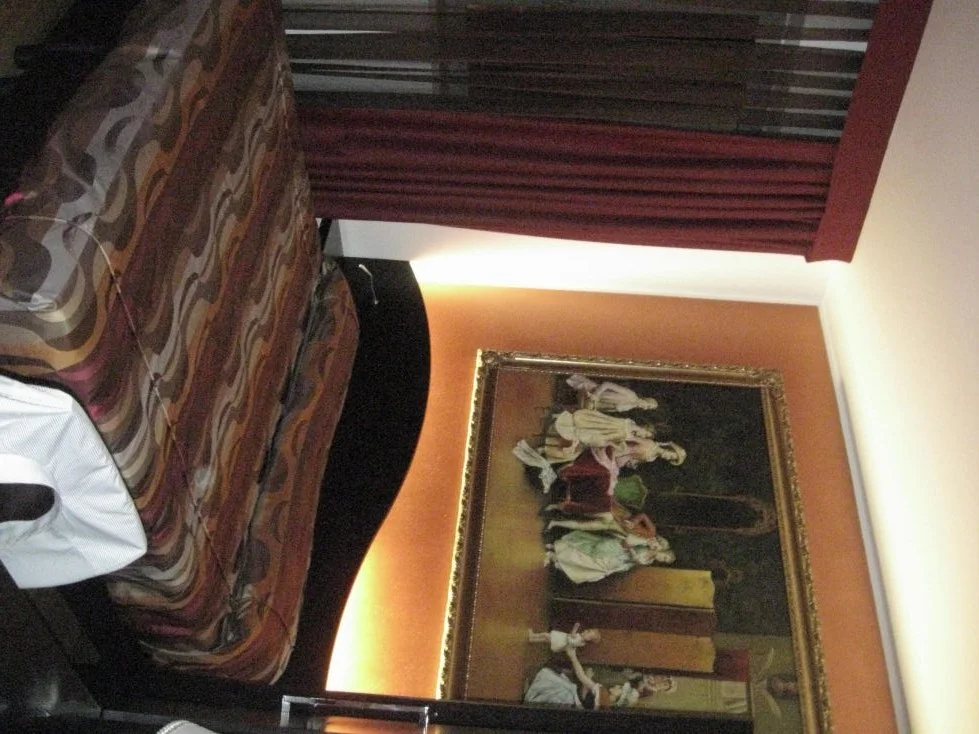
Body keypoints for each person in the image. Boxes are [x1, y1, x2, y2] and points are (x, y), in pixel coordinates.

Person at [546, 529, 674, 584]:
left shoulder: (649, 561)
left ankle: (555, 558)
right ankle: (555, 548)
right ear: (663, 551)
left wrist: (632, 560)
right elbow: (629, 542)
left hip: (619, 562)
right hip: (618, 550)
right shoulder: (647, 544)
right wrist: (634, 552)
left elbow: (632, 562)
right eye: (664, 557)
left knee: (593, 569)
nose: (662, 560)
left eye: (664, 561)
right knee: (587, 552)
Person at [542, 409, 654, 464]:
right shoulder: (629, 427)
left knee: (577, 450)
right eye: (645, 433)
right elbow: (613, 430)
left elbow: (614, 441)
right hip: (600, 429)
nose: (643, 435)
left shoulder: (630, 432)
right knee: (578, 438)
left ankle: (547, 446)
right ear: (644, 428)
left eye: (645, 436)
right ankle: (548, 442)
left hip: (602, 435)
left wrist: (616, 444)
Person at [566, 374, 659, 412]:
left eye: (648, 408)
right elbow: (607, 384)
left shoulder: (630, 407)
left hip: (589, 401)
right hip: (589, 389)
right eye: (648, 406)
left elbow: (606, 408)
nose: (645, 408)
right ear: (646, 400)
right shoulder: (631, 395)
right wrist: (596, 394)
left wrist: (595, 408)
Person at [528, 622, 601, 653]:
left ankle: (533, 636)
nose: (585, 631)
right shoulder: (580, 638)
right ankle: (533, 639)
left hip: (561, 641)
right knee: (545, 639)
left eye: (588, 633)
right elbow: (572, 635)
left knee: (545, 635)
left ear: (588, 639)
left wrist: (575, 628)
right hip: (561, 638)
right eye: (587, 630)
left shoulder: (580, 642)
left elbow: (571, 640)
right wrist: (574, 630)